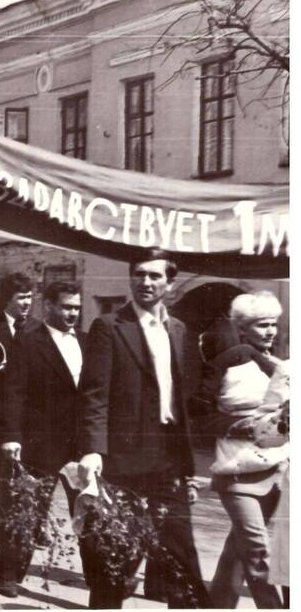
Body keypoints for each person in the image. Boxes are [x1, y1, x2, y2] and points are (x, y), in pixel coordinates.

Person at [76, 249, 210, 608]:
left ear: (171, 283)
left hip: (169, 458)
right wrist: (92, 449)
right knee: (117, 552)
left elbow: (179, 402)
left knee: (181, 551)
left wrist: (189, 469)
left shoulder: (179, 330)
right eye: (138, 274)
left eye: (154, 276)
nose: (145, 282)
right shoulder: (109, 326)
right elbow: (94, 393)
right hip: (125, 457)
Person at [0, 280, 91, 597]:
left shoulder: (87, 342)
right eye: (66, 307)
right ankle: (9, 574)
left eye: (77, 307)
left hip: (81, 443)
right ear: (48, 305)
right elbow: (14, 392)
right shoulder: (29, 341)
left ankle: (98, 575)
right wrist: (11, 434)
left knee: (90, 508)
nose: (72, 313)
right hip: (41, 440)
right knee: (28, 509)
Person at [207, 291, 288, 609]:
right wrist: (234, 425)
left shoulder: (283, 367)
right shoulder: (225, 365)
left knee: (237, 550)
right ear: (242, 329)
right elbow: (200, 413)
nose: (270, 331)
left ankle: (217, 605)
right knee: (257, 550)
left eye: (273, 325)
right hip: (236, 470)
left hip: (276, 471)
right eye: (261, 325)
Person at [0, 272, 34, 542]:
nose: (27, 302)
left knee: (32, 472)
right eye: (21, 297)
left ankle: (31, 527)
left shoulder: (38, 328)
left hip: (31, 412)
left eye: (29, 297)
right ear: (8, 299)